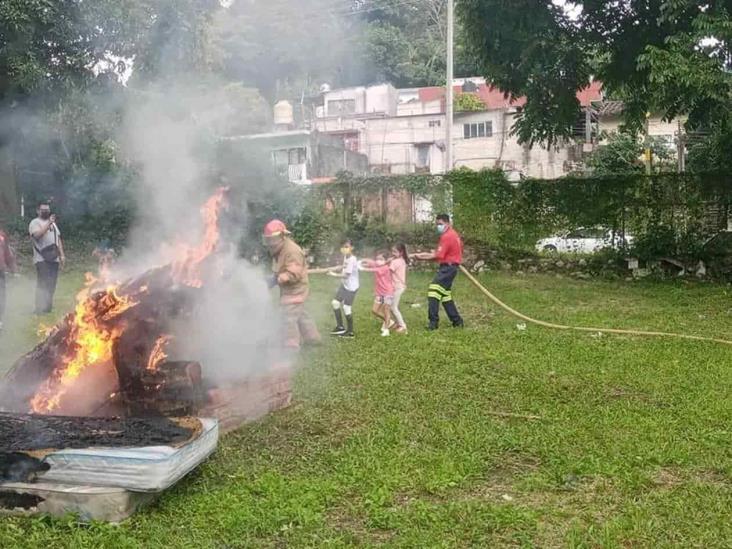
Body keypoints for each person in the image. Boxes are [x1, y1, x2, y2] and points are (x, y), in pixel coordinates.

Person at [263, 219, 321, 349]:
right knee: (301, 315)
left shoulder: (292, 251)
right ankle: (313, 338)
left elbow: (294, 272)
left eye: (273, 239)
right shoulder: (280, 249)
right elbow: (280, 267)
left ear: (282, 236)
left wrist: (279, 278)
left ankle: (291, 346)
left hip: (296, 290)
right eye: (269, 239)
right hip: (291, 289)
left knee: (288, 317)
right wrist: (273, 277)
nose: (271, 243)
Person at [411, 214, 465, 330]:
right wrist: (420, 255)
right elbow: (442, 253)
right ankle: (457, 321)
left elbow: (437, 256)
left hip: (448, 268)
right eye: (437, 224)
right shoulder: (454, 234)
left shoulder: (447, 236)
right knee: (445, 296)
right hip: (451, 267)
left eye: (440, 224)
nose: (438, 226)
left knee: (433, 292)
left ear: (448, 223)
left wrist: (420, 257)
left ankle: (433, 323)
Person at [29, 202, 65, 314]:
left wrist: (62, 254)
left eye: (47, 209)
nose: (45, 211)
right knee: (43, 282)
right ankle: (39, 308)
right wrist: (49, 222)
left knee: (52, 283)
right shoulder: (34, 223)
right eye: (43, 209)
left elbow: (58, 239)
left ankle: (48, 307)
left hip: (54, 258)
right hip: (41, 258)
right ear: (38, 211)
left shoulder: (53, 224)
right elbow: (37, 235)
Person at [327, 239, 359, 338]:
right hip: (344, 286)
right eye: (343, 247)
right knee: (335, 303)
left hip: (351, 287)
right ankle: (340, 327)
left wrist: (333, 274)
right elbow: (344, 268)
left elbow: (346, 276)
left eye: (346, 247)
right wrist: (338, 268)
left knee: (346, 307)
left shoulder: (353, 259)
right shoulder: (346, 257)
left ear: (352, 248)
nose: (344, 249)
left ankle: (350, 332)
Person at [360, 251, 395, 337]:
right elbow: (370, 262)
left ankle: (386, 330)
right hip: (379, 293)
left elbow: (374, 270)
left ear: (386, 260)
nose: (378, 260)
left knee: (386, 310)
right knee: (374, 311)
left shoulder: (385, 267)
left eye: (381, 259)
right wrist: (362, 261)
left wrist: (363, 268)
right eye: (377, 259)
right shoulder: (377, 264)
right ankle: (389, 321)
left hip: (388, 292)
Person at [0, 228, 18, 331]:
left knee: (1, 296)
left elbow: (7, 253)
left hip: (0, 271)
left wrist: (13, 269)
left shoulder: (2, 234)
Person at [389, 243, 409, 334]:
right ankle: (396, 324)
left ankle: (403, 326)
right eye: (392, 251)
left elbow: (388, 271)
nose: (392, 253)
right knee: (390, 306)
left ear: (401, 252)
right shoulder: (402, 260)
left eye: (395, 252)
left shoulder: (395, 262)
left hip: (397, 287)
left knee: (393, 307)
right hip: (400, 286)